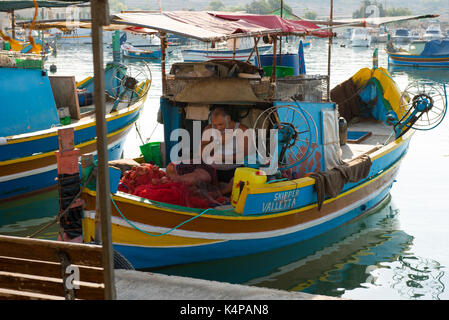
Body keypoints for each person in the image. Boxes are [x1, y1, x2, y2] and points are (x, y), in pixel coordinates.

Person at [201, 107, 249, 194]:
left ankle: (220, 193)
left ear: (228, 119)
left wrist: (223, 158)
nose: (217, 128)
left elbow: (244, 156)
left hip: (234, 170)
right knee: (197, 176)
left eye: (220, 124)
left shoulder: (242, 130)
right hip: (213, 169)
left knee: (239, 179)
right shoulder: (208, 129)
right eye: (214, 125)